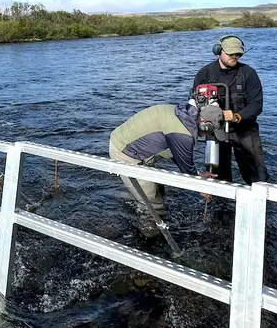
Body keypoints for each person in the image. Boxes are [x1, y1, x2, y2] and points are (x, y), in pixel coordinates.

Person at [109, 102, 215, 237]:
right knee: (154, 205)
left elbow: (178, 156)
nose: (204, 135)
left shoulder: (183, 115)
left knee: (158, 189)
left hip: (129, 145)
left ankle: (135, 198)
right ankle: (150, 237)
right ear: (205, 125)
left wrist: (198, 175)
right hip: (125, 154)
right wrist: (201, 186)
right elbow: (186, 168)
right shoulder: (182, 134)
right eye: (208, 132)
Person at [190, 34, 268, 185]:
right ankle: (221, 205)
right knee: (217, 177)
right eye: (231, 53)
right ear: (218, 51)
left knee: (257, 177)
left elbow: (256, 104)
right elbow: (194, 103)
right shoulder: (204, 73)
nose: (235, 56)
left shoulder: (248, 73)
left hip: (244, 128)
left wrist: (237, 116)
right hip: (216, 130)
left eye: (238, 54)